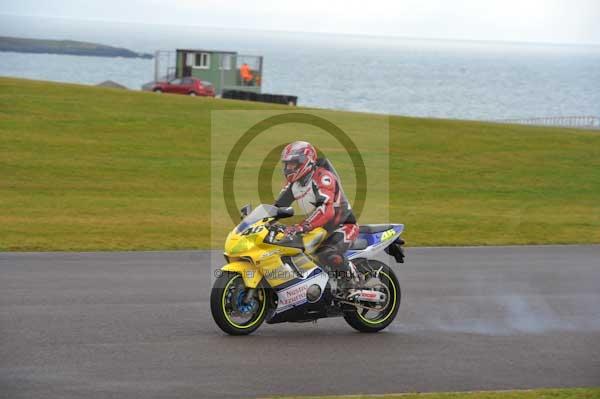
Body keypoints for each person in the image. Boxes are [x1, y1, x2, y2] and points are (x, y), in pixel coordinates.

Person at [274, 141, 360, 297]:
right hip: (317, 229)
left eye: (293, 164)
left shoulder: (323, 177)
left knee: (327, 253)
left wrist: (301, 226)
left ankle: (351, 283)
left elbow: (325, 211)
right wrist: (261, 222)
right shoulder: (293, 184)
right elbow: (277, 208)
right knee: (290, 248)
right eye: (286, 164)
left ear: (305, 161)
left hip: (342, 226)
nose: (289, 168)